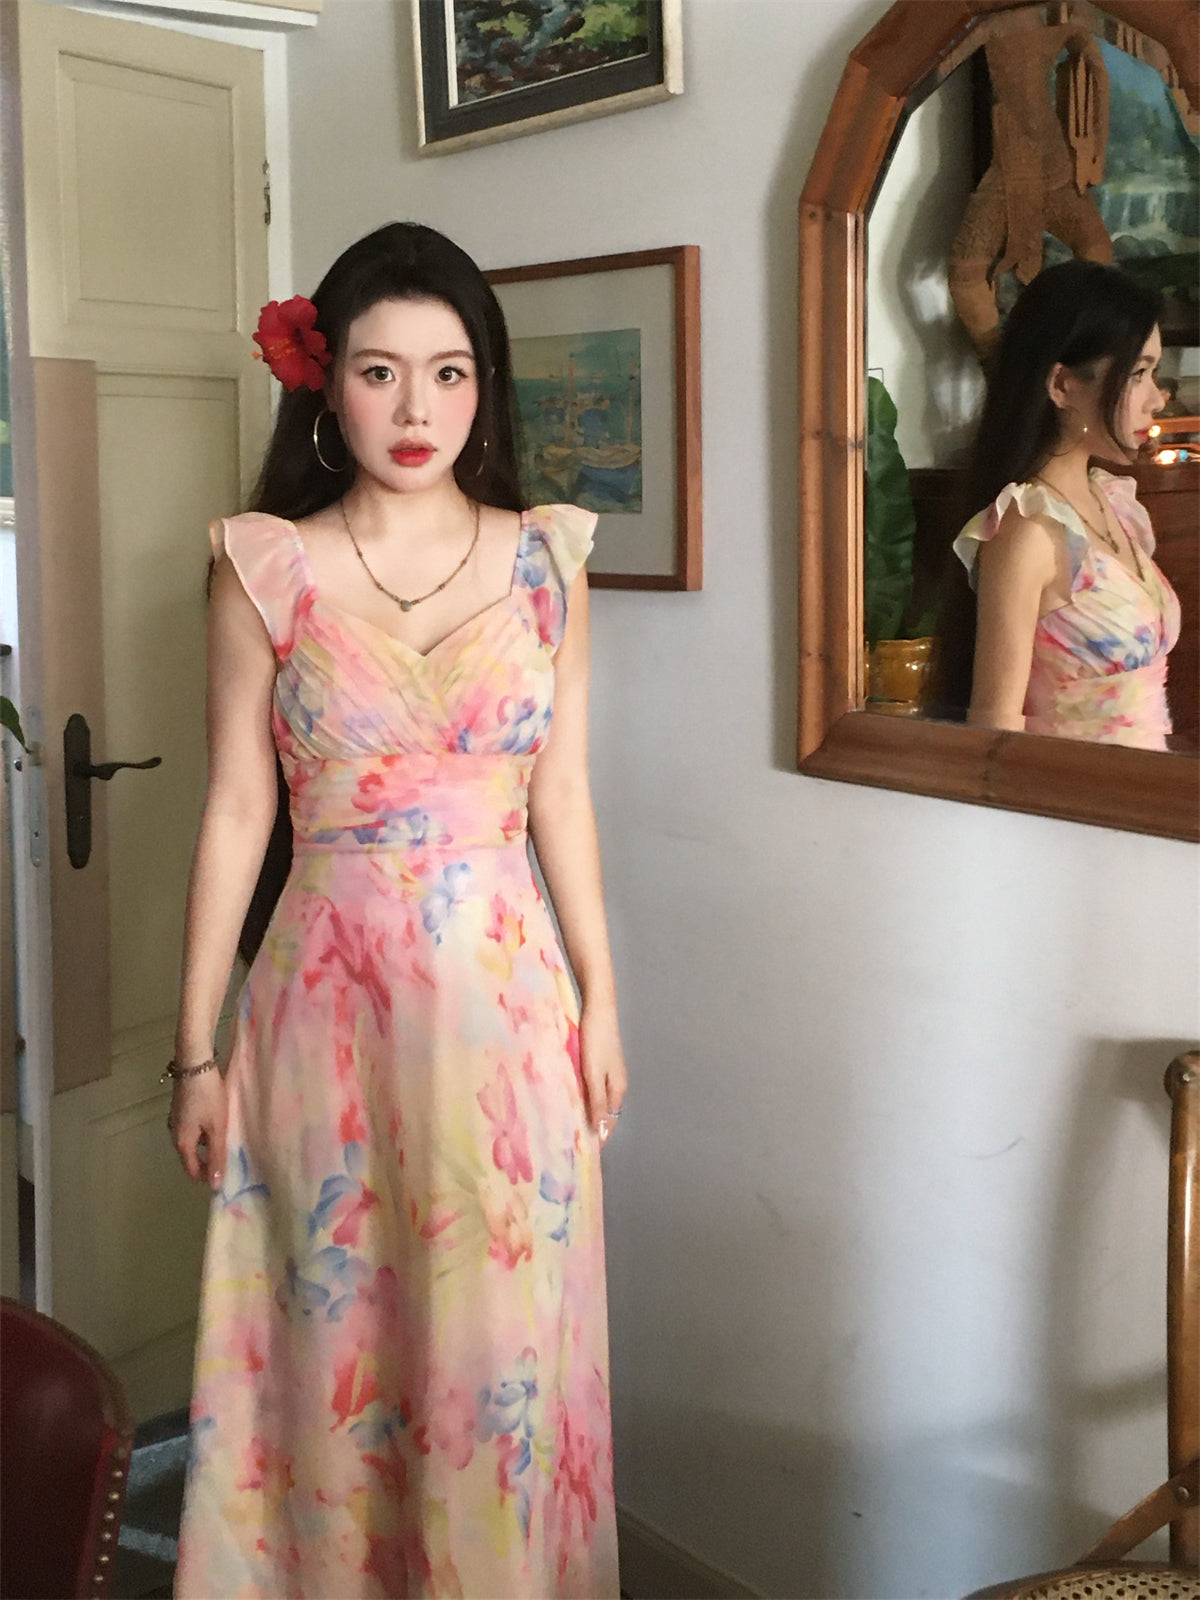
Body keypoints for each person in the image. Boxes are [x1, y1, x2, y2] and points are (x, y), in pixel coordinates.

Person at [167, 221, 626, 1598]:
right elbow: (236, 812)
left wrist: (605, 999)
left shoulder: (548, 561)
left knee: (497, 1354)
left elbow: (562, 797)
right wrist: (195, 1052)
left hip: (508, 1021)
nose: (416, 408)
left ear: (486, 387)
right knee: (333, 1348)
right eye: (379, 372)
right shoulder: (263, 566)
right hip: (325, 1025)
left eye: (449, 372)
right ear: (328, 387)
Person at [948, 258, 1180, 748]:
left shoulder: (1111, 499)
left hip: (1146, 781)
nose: (1157, 399)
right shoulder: (1028, 529)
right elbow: (994, 733)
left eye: (1154, 372)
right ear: (1061, 385)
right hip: (1073, 786)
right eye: (1138, 374)